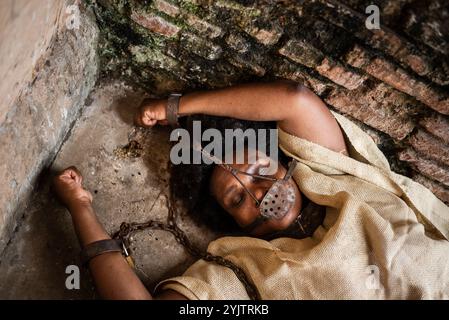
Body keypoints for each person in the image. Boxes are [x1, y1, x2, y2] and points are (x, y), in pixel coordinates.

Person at [53, 81, 449, 300]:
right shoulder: (241, 273)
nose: (260, 194)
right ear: (231, 222)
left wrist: (175, 109)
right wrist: (80, 207)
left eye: (261, 171)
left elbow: (294, 100)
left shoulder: (335, 173)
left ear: (285, 161)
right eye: (237, 199)